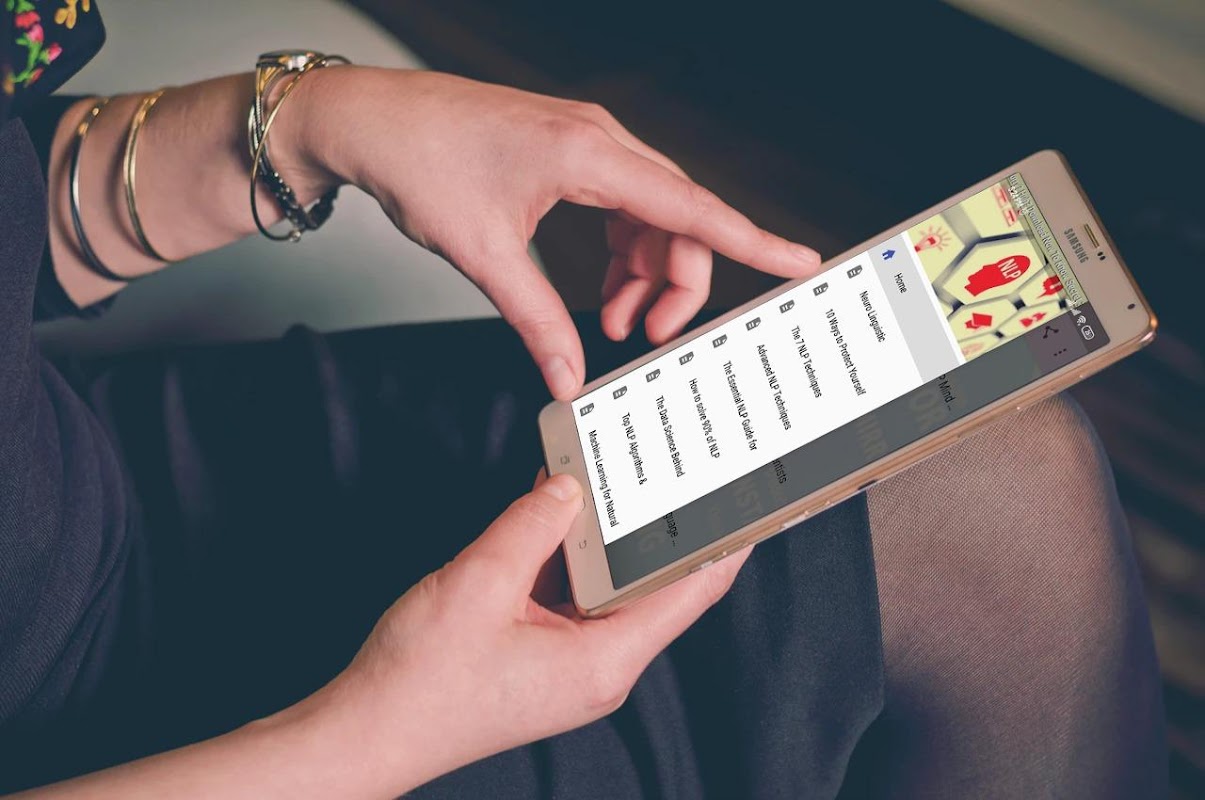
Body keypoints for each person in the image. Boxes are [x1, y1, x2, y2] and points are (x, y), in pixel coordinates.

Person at [0, 4, 1167, 797]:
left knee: (1004, 483)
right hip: (149, 747)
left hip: (87, 466)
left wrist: (310, 126)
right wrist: (372, 739)